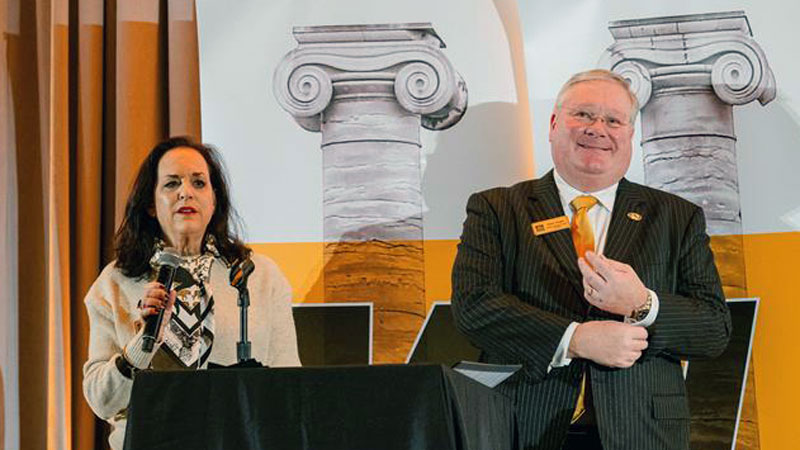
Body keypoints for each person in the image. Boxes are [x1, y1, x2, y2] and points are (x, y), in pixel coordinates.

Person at [451, 69, 731, 450]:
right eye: (582, 115)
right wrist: (575, 338)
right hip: (523, 425)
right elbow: (475, 308)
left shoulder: (676, 217)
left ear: (630, 135)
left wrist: (642, 304)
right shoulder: (497, 209)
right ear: (553, 124)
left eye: (614, 120)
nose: (597, 129)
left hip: (641, 432)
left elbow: (714, 329)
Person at [82, 137, 300, 450]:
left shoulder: (258, 276)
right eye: (171, 184)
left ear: (214, 202)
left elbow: (288, 387)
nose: (186, 191)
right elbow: (102, 401)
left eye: (199, 182)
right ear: (151, 206)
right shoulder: (116, 283)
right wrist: (140, 346)